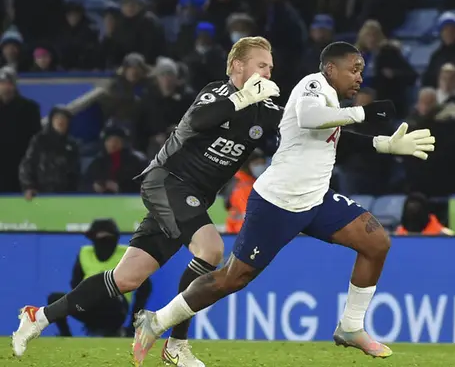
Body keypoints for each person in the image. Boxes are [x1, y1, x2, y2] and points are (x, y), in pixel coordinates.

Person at [130, 42, 436, 362]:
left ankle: (351, 325)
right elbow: (309, 117)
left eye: (362, 70)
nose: (360, 77)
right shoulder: (313, 85)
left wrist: (384, 144)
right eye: (354, 69)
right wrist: (362, 113)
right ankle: (158, 320)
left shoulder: (332, 102)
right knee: (232, 278)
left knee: (376, 242)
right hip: (278, 203)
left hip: (316, 200)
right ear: (331, 69)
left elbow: (334, 137)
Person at [12, 36, 283, 367]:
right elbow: (199, 121)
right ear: (239, 66)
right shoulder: (219, 92)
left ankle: (37, 317)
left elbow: (303, 124)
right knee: (210, 249)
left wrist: (358, 125)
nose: (269, 73)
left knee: (126, 279)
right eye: (262, 65)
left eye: (270, 66)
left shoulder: (264, 108)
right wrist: (242, 97)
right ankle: (176, 345)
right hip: (168, 181)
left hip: (190, 197)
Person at [47, 219, 152, 337]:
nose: (104, 242)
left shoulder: (127, 254)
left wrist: (133, 325)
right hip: (88, 306)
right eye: (100, 238)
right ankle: (65, 335)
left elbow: (145, 288)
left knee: (107, 293)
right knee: (55, 299)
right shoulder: (85, 253)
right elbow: (75, 284)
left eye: (108, 238)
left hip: (116, 309)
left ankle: (114, 330)